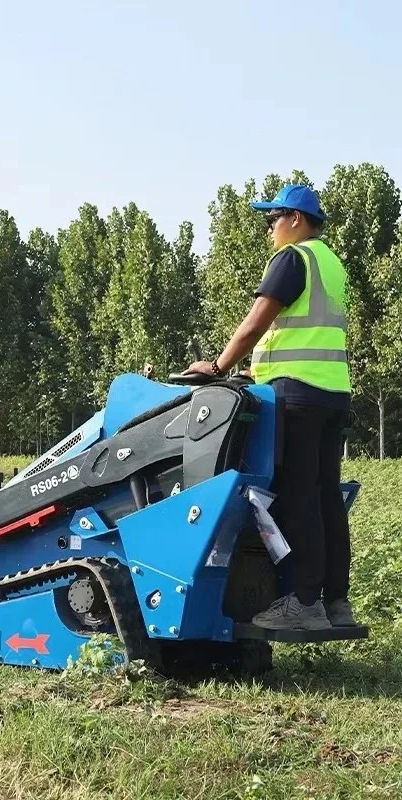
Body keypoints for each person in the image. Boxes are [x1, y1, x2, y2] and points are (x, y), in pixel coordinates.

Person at [184, 184, 356, 630]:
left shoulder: (294, 258)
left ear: (295, 219)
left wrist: (219, 366)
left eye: (272, 220)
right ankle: (337, 601)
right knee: (325, 497)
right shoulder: (332, 264)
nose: (269, 231)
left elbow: (255, 321)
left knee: (296, 496)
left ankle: (303, 602)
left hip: (296, 394)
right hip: (333, 393)